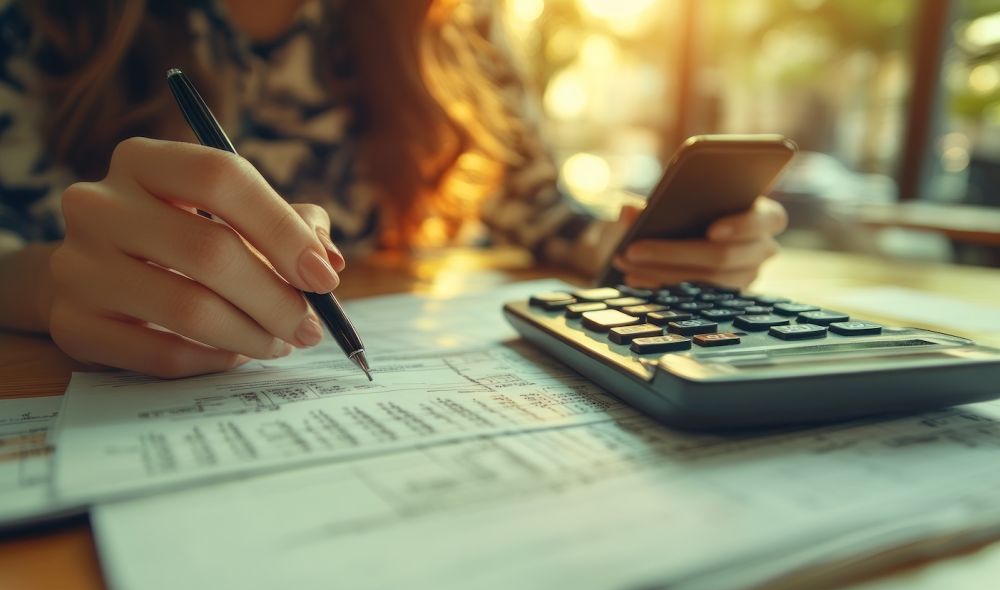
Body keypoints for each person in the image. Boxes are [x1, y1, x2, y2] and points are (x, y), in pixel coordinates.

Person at [0, 0, 788, 377]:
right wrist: (43, 283)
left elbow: (546, 214)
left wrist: (655, 245)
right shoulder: (46, 27)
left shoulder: (450, 25)